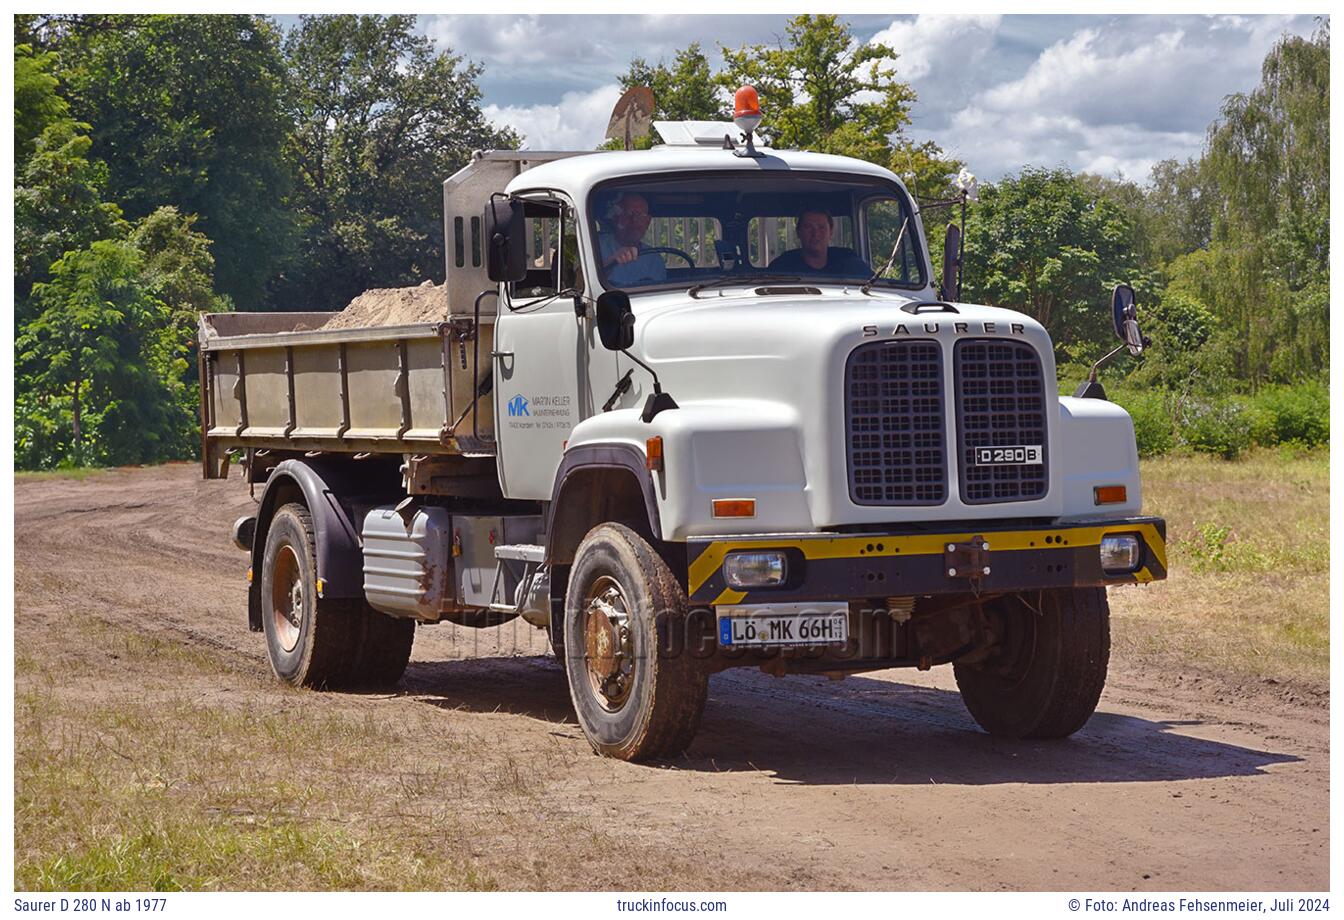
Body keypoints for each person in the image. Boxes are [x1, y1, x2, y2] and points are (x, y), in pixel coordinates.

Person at [768, 209, 869, 277]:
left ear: (831, 232)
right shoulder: (782, 268)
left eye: (821, 228)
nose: (815, 234)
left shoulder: (849, 263)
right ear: (798, 232)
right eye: (808, 227)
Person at [598, 192, 666, 287]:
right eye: (628, 214)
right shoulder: (595, 246)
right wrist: (610, 262)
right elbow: (579, 283)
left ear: (647, 222)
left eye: (640, 216)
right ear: (616, 218)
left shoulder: (654, 259)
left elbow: (660, 294)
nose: (634, 220)